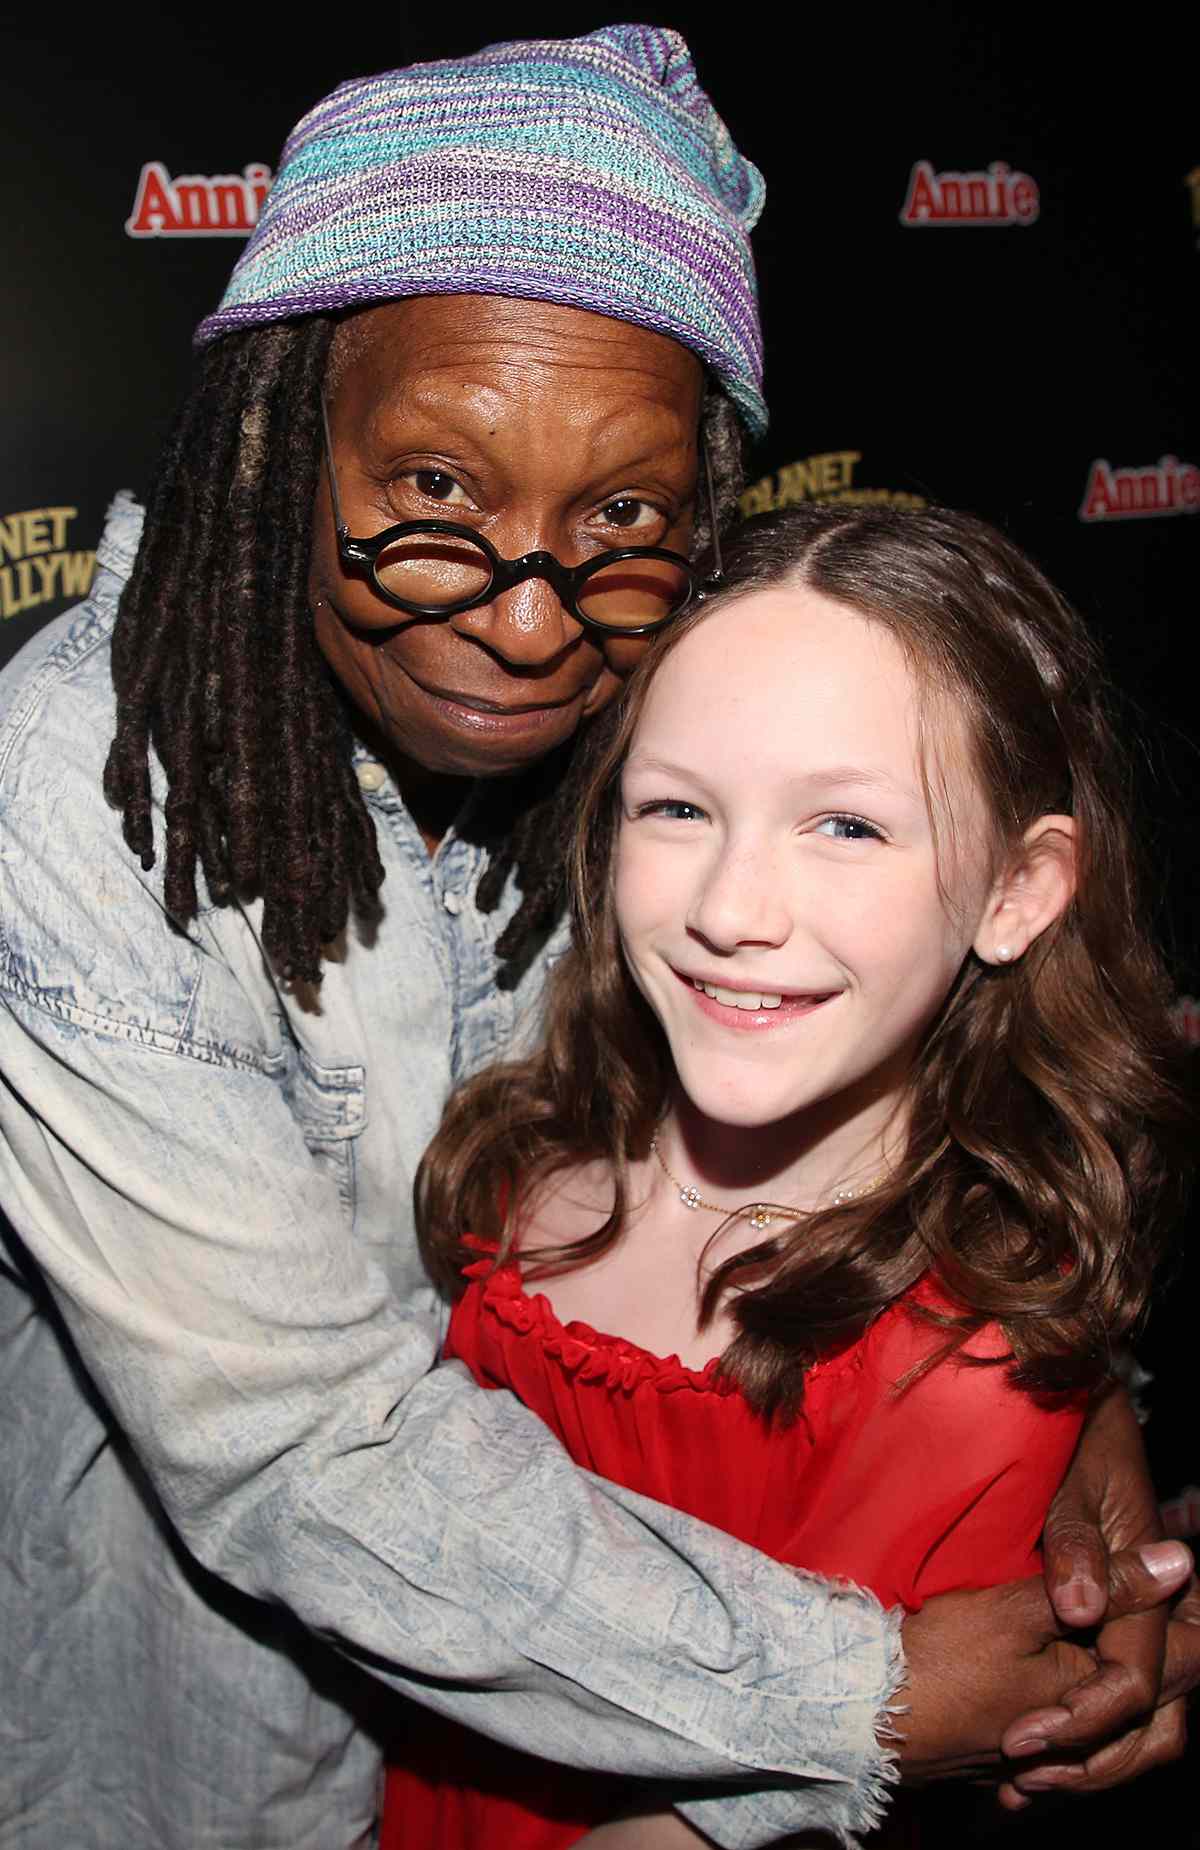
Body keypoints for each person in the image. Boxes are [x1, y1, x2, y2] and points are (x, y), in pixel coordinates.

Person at [0, 27, 1193, 1850]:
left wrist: (1056, 1401)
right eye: (433, 495)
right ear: (275, 442)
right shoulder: (87, 789)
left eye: (621, 514)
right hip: (205, 1756)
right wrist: (864, 1693)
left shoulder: (674, 725)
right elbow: (306, 1447)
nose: (528, 614)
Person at [382, 501, 1196, 1848]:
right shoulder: (534, 1134)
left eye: (849, 827)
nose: (732, 908)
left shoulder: (967, 1375)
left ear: (1017, 889)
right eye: (679, 805)